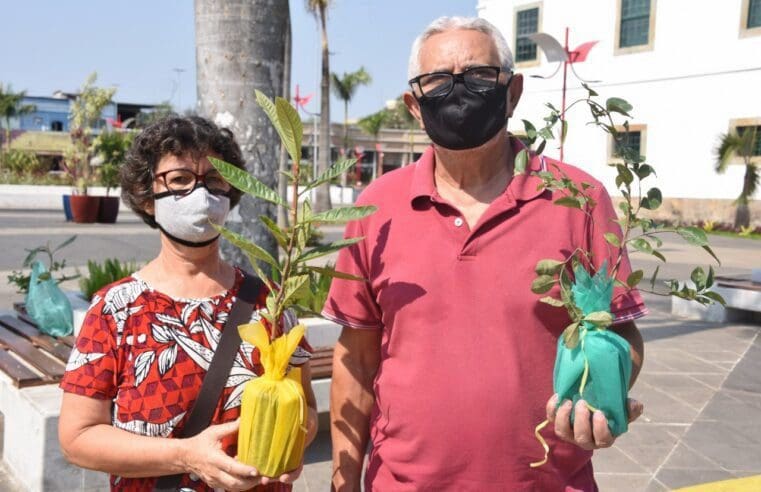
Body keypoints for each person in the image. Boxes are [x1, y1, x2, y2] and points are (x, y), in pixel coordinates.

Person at [324, 17, 647, 491]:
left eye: (478, 76)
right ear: (415, 105)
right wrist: (343, 481)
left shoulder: (578, 198)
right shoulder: (378, 208)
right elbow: (355, 358)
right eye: (437, 81)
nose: (458, 93)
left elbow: (622, 335)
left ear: (512, 92)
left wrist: (602, 396)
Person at [58, 116, 318, 492]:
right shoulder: (115, 309)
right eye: (179, 179)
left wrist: (291, 443)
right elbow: (77, 438)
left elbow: (305, 409)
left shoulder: (271, 303)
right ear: (147, 199)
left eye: (214, 180)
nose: (201, 194)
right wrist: (186, 455)